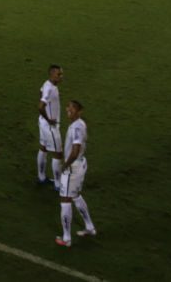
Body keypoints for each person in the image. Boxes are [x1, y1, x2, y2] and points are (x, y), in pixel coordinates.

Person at [55, 100, 95, 247]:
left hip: (73, 168)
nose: (69, 110)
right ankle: (89, 227)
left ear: (79, 112)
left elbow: (76, 149)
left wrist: (65, 165)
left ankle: (66, 238)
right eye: (68, 107)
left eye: (72, 108)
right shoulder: (81, 124)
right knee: (76, 196)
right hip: (80, 165)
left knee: (65, 200)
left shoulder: (76, 127)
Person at [37, 65, 64, 186]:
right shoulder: (50, 89)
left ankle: (41, 177)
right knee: (58, 154)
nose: (61, 77)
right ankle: (58, 184)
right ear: (52, 74)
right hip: (50, 126)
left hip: (42, 123)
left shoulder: (47, 84)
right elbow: (40, 106)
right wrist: (49, 119)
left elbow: (40, 91)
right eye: (58, 74)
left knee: (43, 148)